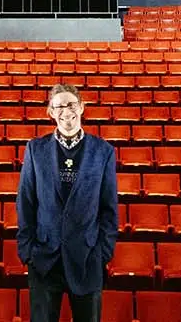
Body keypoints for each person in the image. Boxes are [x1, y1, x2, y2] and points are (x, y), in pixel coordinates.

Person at [15, 83, 118, 322]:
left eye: (70, 104)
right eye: (58, 106)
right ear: (50, 112)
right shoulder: (35, 149)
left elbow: (108, 208)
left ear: (81, 107)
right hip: (44, 259)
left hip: (87, 259)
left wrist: (102, 251)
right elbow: (26, 202)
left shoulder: (103, 151)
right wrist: (28, 251)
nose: (65, 111)